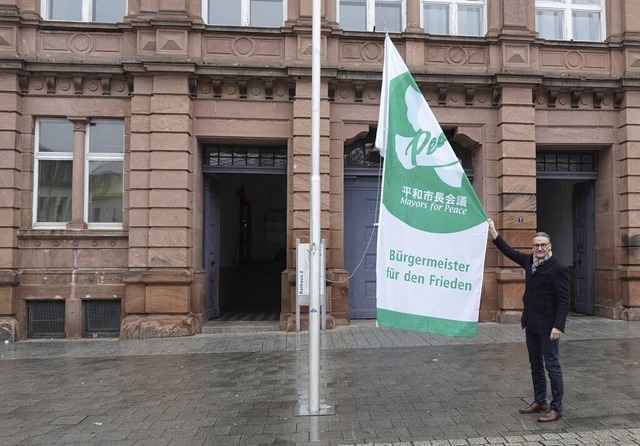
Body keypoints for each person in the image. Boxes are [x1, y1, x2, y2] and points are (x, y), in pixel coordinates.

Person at [487, 218, 570, 423]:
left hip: (549, 327)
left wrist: (558, 326)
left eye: (543, 244)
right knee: (535, 364)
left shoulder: (557, 268)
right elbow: (510, 252)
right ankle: (540, 400)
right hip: (532, 323)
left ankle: (556, 407)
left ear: (550, 246)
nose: (539, 248)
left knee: (552, 365)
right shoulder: (529, 261)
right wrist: (494, 232)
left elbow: (564, 300)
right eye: (536, 245)